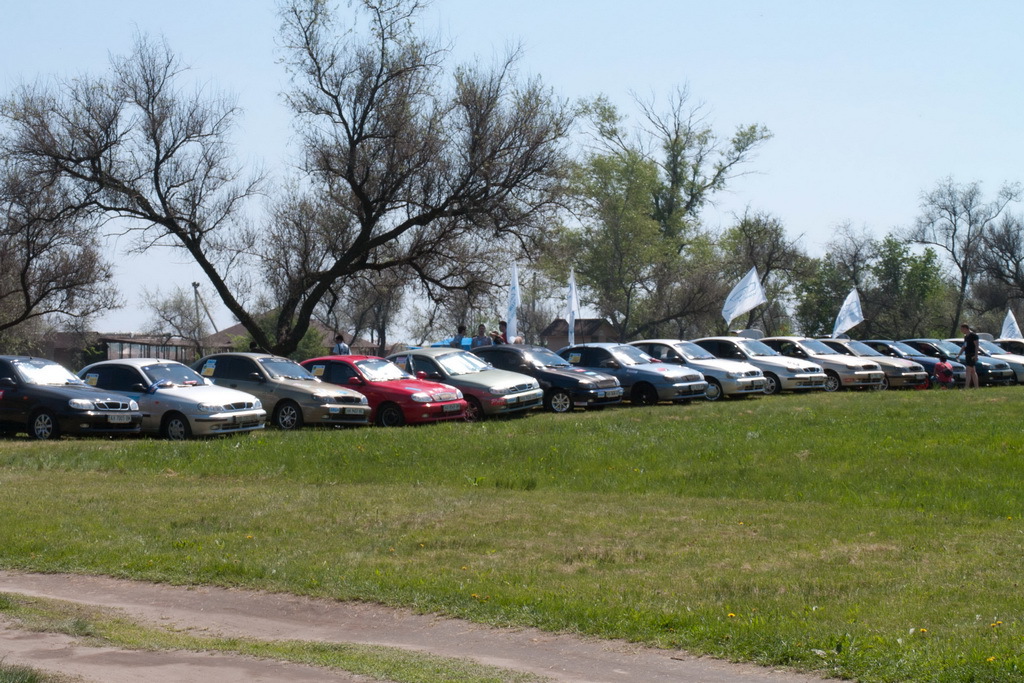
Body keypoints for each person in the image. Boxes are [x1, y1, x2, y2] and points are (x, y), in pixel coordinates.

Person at [956, 323, 979, 389]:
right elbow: (964, 346)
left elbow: (977, 346)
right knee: (973, 372)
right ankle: (976, 387)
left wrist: (976, 355)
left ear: (965, 328)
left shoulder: (974, 335)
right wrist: (959, 354)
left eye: (962, 329)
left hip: (972, 355)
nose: (961, 331)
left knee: (968, 371)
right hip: (967, 354)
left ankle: (966, 387)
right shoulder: (966, 337)